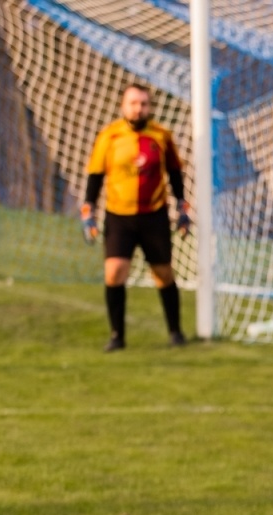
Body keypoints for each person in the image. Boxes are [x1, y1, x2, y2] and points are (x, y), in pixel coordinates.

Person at [80, 84, 189, 352]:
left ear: (149, 107)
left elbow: (175, 173)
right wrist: (88, 211)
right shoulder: (109, 136)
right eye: (133, 103)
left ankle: (175, 331)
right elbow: (95, 175)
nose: (138, 108)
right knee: (115, 271)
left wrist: (182, 207)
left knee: (163, 273)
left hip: (154, 216)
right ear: (123, 105)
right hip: (119, 217)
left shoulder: (161, 136)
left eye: (143, 103)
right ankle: (117, 336)